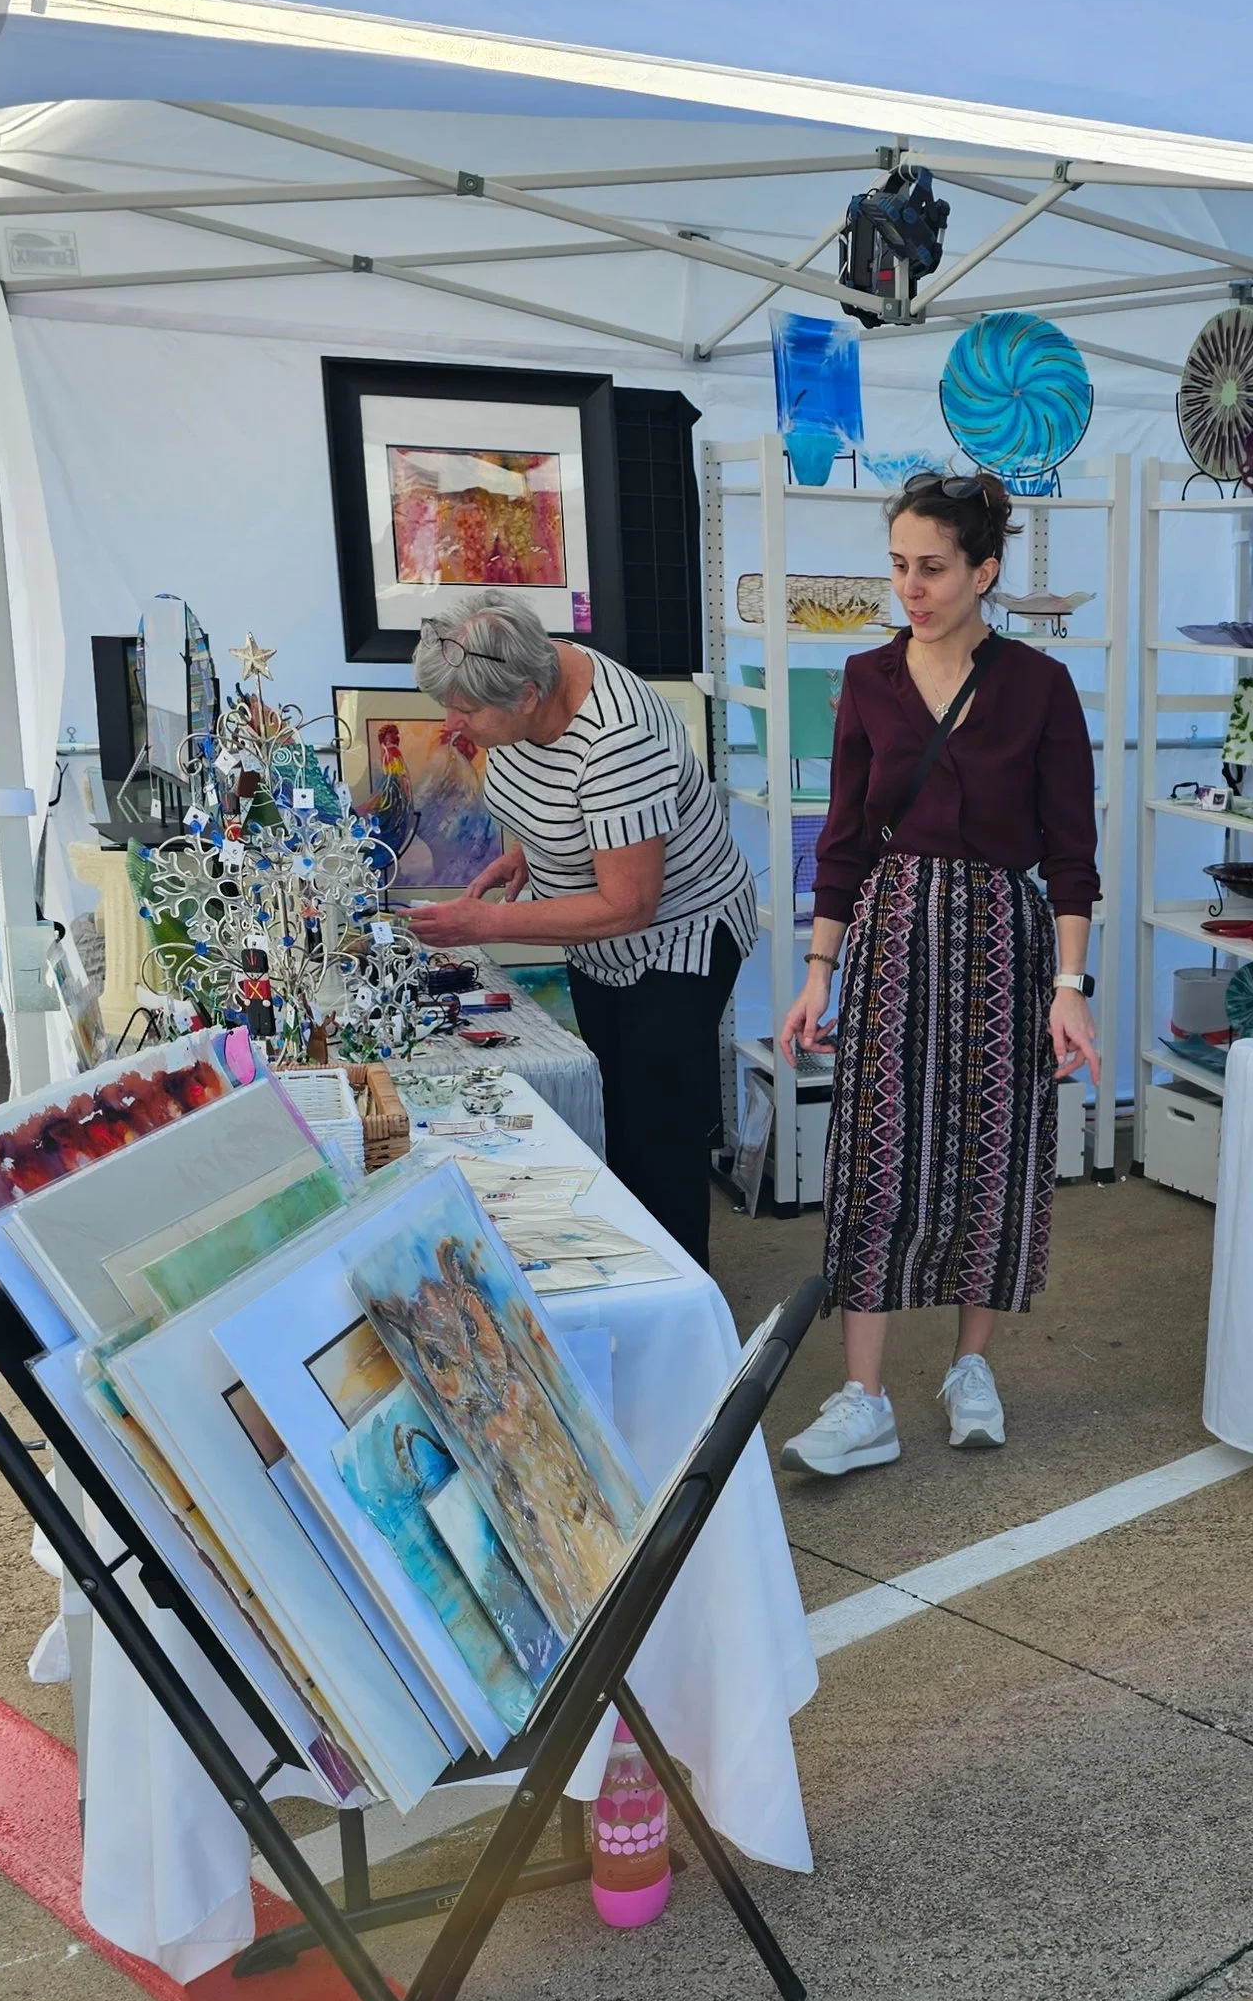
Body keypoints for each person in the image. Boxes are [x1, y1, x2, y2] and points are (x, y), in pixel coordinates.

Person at [775, 470, 1099, 1474]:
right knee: (874, 1159)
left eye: (932, 567)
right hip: (891, 935)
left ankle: (969, 1367)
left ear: (984, 570)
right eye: (899, 566)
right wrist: (817, 971)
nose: (909, 587)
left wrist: (1070, 987)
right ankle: (863, 1396)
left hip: (1007, 937)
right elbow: (841, 839)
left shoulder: (1038, 686)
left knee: (992, 1160)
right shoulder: (867, 681)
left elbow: (1072, 852)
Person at [406, 589, 756, 1269]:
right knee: (615, 1113)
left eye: (467, 710)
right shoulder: (522, 683)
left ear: (529, 694)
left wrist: (489, 922)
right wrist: (526, 851)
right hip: (600, 939)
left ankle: (680, 1303)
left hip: (678, 941)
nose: (453, 723)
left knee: (658, 1133)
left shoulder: (619, 740)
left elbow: (629, 905)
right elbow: (556, 803)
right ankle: (624, 1273)